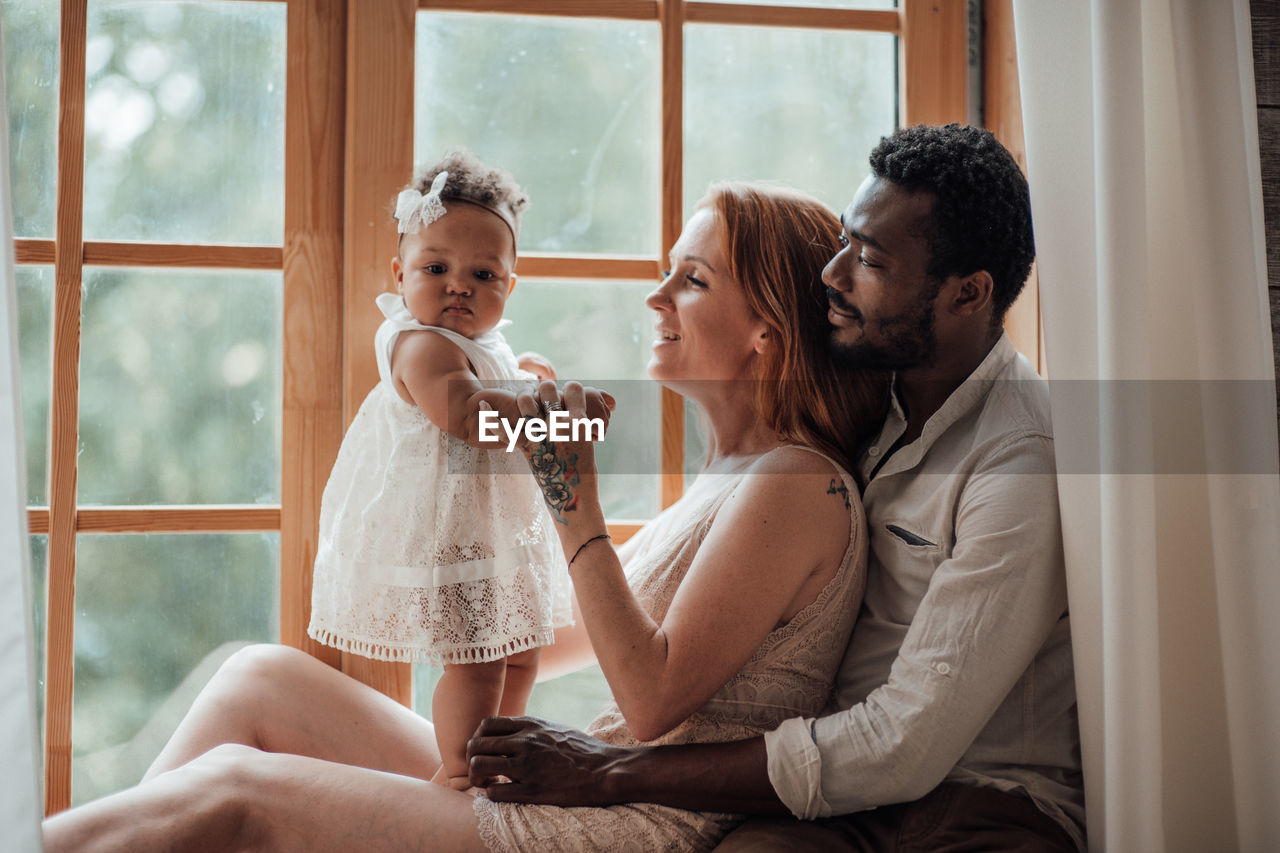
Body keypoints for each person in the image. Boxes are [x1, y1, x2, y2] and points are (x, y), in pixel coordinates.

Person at [42, 182, 889, 852]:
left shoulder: (796, 484)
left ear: (766, 335)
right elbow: (567, 632)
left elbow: (650, 700)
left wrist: (573, 502)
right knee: (258, 678)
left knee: (235, 788)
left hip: (627, 820)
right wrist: (446, 582)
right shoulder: (728, 474)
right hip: (573, 785)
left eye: (692, 280)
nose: (655, 296)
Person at [466, 124, 1085, 852]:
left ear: (969, 293)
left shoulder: (1017, 458)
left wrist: (615, 771)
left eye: (871, 260)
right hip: (841, 793)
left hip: (976, 801)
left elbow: (905, 743)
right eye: (844, 242)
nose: (833, 274)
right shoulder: (866, 411)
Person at [304, 149, 573, 790]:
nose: (460, 285)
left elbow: (492, 381)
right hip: (446, 536)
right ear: (399, 275)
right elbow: (470, 416)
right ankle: (457, 772)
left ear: (511, 285)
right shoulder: (420, 345)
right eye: (436, 267)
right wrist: (551, 417)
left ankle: (500, 757)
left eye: (484, 273)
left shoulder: (483, 342)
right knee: (475, 665)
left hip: (492, 531)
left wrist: (526, 375)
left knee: (520, 654)